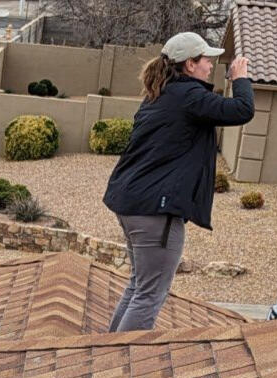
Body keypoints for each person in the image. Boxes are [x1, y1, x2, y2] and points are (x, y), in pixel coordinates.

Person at [103, 33, 254, 333]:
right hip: (155, 212)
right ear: (189, 65)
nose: (210, 65)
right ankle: (122, 361)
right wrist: (240, 79)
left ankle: (108, 351)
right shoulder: (190, 97)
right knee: (149, 294)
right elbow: (242, 110)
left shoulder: (160, 95)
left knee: (138, 287)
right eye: (205, 59)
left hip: (132, 203)